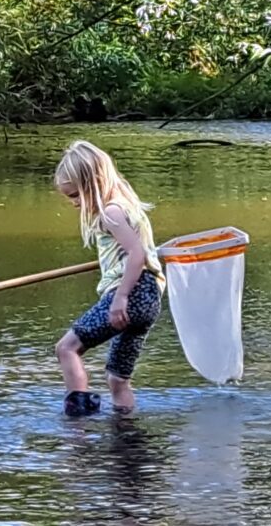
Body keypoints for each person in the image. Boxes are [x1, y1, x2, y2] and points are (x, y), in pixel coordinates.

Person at [52, 140, 165, 416]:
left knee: (67, 348)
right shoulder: (126, 204)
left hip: (131, 293)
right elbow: (133, 253)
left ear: (94, 183)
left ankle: (78, 427)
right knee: (117, 378)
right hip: (150, 298)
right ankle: (126, 433)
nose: (74, 203)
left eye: (76, 195)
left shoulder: (110, 213)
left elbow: (136, 254)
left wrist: (121, 297)